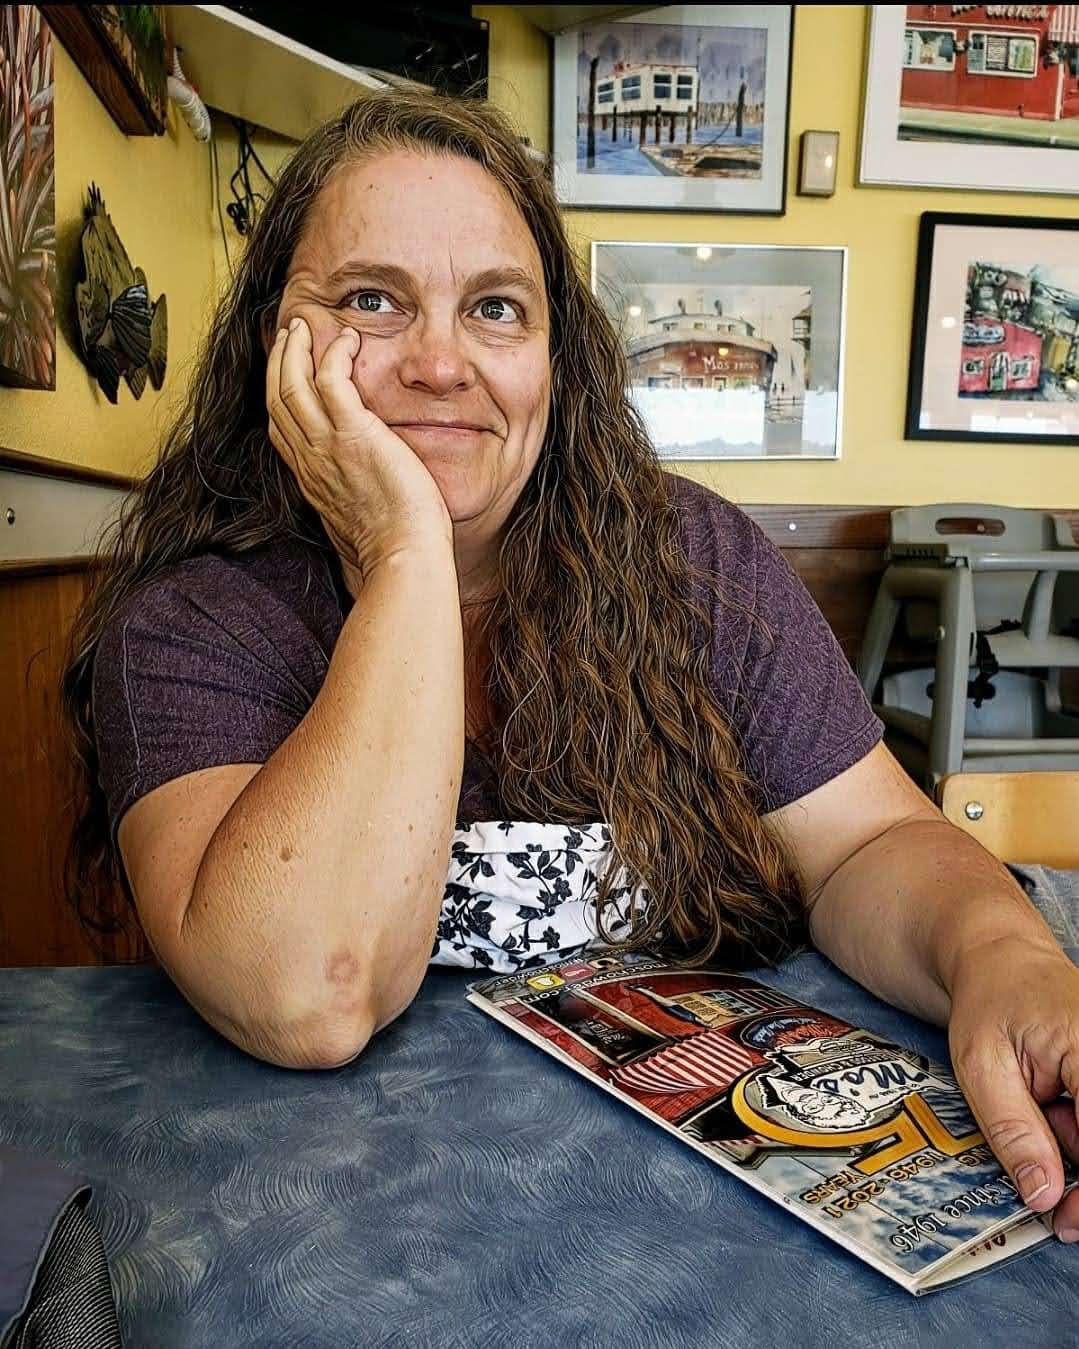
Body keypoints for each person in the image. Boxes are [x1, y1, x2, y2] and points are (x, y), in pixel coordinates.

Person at [62, 92, 1077, 1243]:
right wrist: (406, 556)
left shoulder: (690, 560)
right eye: (370, 299)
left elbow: (864, 845)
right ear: (274, 344)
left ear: (554, 358)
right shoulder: (194, 620)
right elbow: (308, 993)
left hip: (700, 1226)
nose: (440, 362)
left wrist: (1000, 954)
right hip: (345, 1231)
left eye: (494, 307)